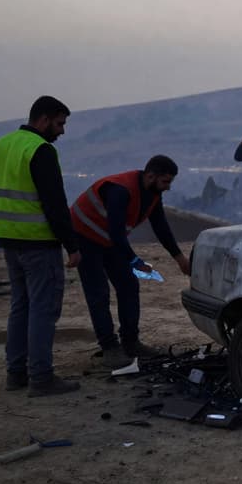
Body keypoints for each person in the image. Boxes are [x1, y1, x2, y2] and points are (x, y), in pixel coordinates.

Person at [0, 96, 82, 397]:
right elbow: (55, 204)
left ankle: (16, 374)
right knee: (43, 309)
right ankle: (41, 377)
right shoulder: (41, 150)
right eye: (60, 123)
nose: (62, 131)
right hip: (39, 244)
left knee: (20, 306)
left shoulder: (1, 145)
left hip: (9, 242)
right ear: (43, 119)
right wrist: (72, 246)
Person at [70, 155, 192, 368]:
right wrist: (135, 261)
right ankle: (109, 348)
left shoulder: (152, 193)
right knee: (98, 293)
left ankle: (130, 342)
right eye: (165, 182)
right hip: (84, 238)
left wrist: (178, 257)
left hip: (108, 241)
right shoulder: (120, 190)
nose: (168, 187)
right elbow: (117, 234)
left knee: (128, 285)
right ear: (151, 176)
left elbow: (160, 225)